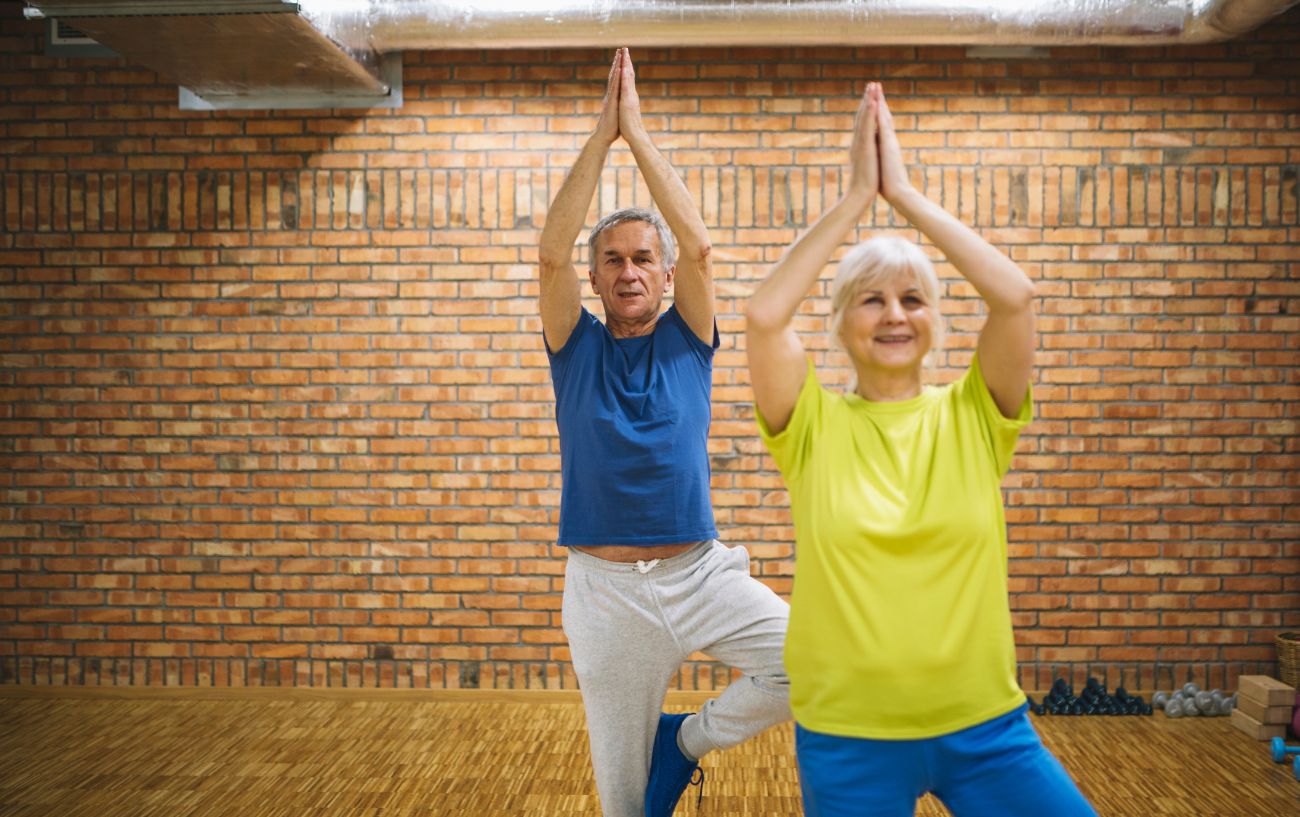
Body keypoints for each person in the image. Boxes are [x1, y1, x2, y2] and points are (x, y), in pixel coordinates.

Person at [744, 82, 1099, 817]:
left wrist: (902, 194)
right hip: (848, 734)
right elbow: (763, 315)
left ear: (936, 320)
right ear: (841, 323)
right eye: (872, 299)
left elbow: (1015, 297)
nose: (895, 315)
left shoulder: (975, 415)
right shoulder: (810, 425)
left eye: (913, 299)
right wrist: (855, 198)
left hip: (986, 727)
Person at [538, 48, 790, 817]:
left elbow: (702, 246)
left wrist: (638, 136)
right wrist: (601, 135)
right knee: (625, 806)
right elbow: (549, 253)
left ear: (666, 273)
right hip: (605, 596)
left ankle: (684, 740)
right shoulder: (574, 346)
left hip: (700, 574)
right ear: (595, 277)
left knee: (814, 662)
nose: (629, 271)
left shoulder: (688, 339)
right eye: (613, 260)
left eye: (644, 258)